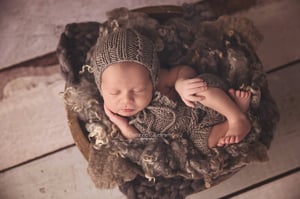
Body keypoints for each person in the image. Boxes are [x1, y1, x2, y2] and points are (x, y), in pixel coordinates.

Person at [90, 28, 251, 152]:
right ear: (100, 87)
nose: (126, 100)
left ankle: (236, 117)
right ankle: (230, 122)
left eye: (138, 90)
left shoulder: (159, 81)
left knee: (198, 88)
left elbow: (182, 70)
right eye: (114, 92)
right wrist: (124, 127)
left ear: (152, 78)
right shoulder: (113, 117)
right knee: (200, 146)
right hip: (194, 133)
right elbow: (144, 141)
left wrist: (181, 84)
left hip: (204, 106)